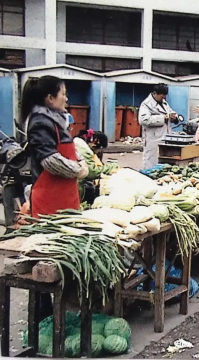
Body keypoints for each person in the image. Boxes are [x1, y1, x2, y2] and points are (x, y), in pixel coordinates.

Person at [23, 76, 89, 320]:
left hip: (65, 198)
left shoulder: (56, 121)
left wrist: (80, 162)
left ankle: (59, 310)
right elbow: (49, 160)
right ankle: (43, 314)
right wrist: (77, 170)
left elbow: (67, 152)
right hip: (49, 200)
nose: (67, 98)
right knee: (48, 256)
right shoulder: (40, 122)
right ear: (50, 98)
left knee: (62, 255)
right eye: (63, 93)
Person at [139, 83, 179, 170]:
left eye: (165, 95)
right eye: (161, 95)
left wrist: (174, 117)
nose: (163, 97)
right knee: (151, 163)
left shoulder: (164, 103)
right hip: (152, 139)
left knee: (164, 163)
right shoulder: (146, 104)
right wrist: (163, 118)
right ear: (154, 93)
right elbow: (143, 120)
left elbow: (170, 113)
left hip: (166, 137)